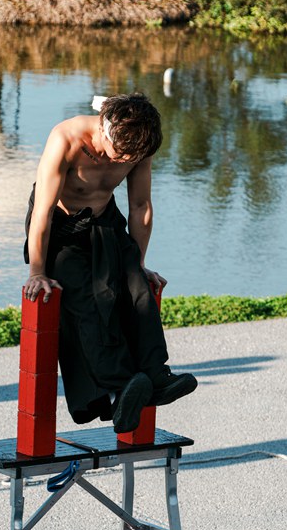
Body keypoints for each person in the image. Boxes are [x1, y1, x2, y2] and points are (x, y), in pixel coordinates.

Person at [23, 92, 197, 433]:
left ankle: (155, 377)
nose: (119, 162)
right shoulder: (67, 139)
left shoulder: (139, 145)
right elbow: (42, 212)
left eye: (129, 159)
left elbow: (141, 207)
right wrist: (38, 271)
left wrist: (137, 263)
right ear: (105, 129)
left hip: (105, 221)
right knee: (88, 303)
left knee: (138, 291)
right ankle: (121, 388)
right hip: (61, 228)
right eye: (118, 155)